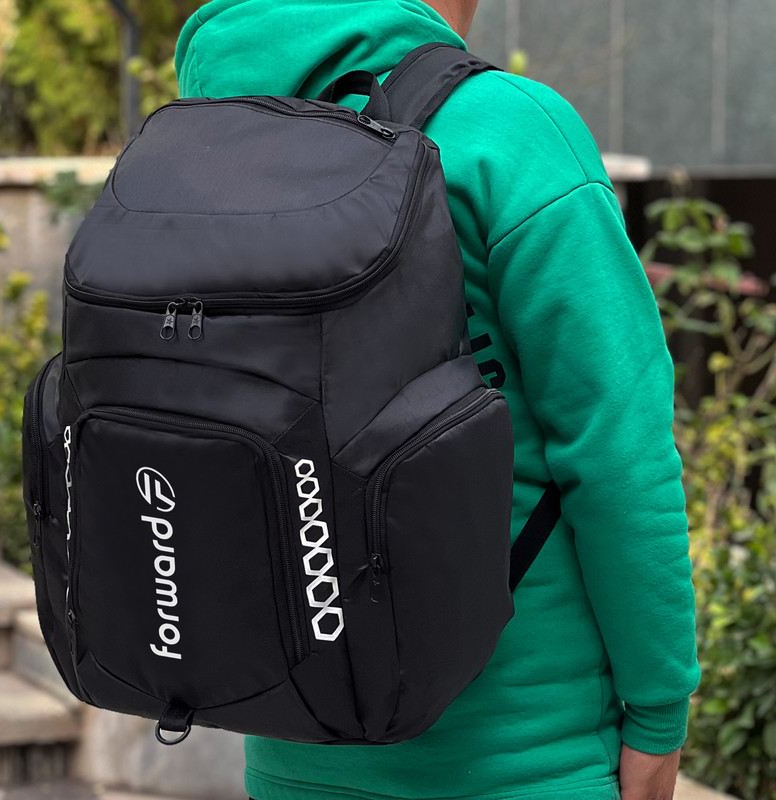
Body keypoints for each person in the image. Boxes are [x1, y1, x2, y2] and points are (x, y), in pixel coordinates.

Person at [174, 1, 701, 799]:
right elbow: (619, 455)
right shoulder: (505, 131)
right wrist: (658, 710)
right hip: (528, 757)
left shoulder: (198, 145)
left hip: (295, 750)